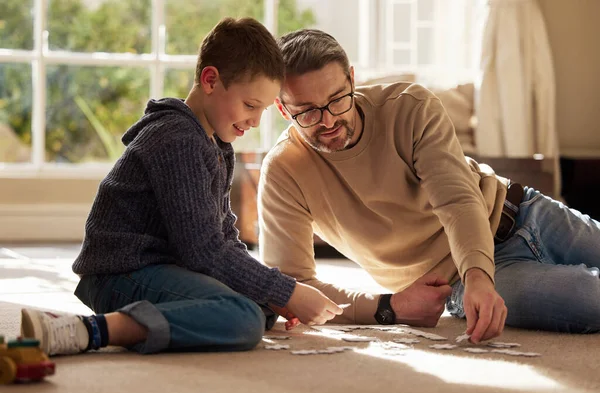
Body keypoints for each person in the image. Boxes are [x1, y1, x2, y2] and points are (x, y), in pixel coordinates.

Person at [20, 18, 343, 356]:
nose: (255, 121)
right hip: (121, 274)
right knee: (242, 318)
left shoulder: (216, 145)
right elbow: (203, 252)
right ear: (210, 80)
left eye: (262, 110)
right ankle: (89, 331)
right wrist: (288, 290)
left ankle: (158, 318)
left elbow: (224, 239)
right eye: (250, 105)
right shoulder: (178, 139)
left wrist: (274, 295)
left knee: (261, 304)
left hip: (164, 269)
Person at [258, 28, 600, 344]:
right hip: (457, 281)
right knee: (590, 298)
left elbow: (456, 199)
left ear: (351, 78)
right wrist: (387, 307)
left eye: (337, 100)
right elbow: (291, 286)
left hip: (522, 210)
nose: (329, 120)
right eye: (307, 112)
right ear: (283, 108)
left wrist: (479, 274)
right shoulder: (283, 172)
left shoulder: (409, 106)